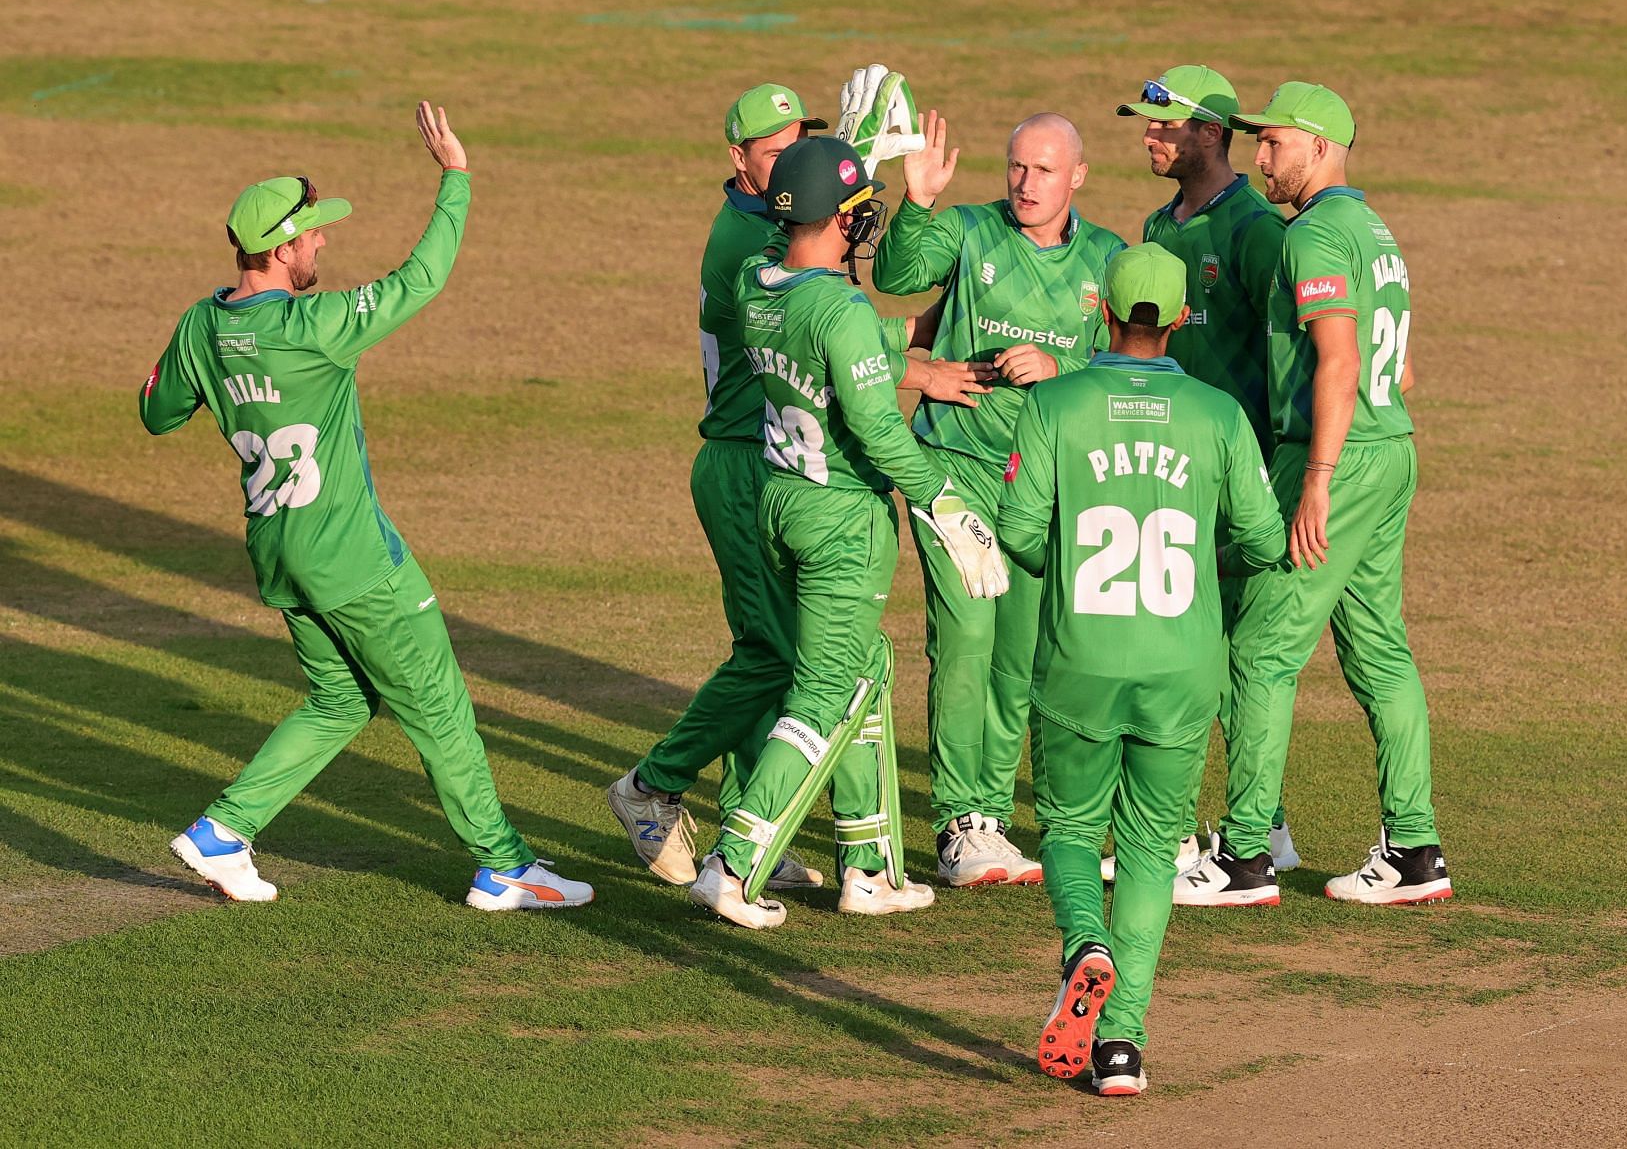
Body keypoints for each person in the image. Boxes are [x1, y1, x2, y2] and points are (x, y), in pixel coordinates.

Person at [141, 103, 592, 911]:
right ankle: (504, 865)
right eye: (311, 234)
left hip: (279, 553)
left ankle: (224, 830)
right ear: (279, 249)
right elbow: (423, 278)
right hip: (352, 560)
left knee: (342, 698)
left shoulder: (203, 324)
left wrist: (207, 366)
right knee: (441, 704)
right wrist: (456, 177)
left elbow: (157, 410)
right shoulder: (314, 323)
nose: (322, 243)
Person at [607, 83, 991, 889]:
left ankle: (842, 855)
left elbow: (822, 309)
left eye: (798, 142)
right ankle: (669, 798)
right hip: (753, 463)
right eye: (774, 149)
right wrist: (913, 366)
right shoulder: (743, 240)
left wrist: (910, 349)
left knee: (814, 661)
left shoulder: (770, 244)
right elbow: (823, 312)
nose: (788, 159)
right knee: (786, 661)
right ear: (738, 161)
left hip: (769, 464)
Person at [687, 136, 1010, 929]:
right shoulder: (840, 308)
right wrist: (945, 504)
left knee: (866, 664)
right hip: (840, 518)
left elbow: (827, 304)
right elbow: (876, 427)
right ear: (839, 221)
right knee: (825, 692)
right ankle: (733, 864)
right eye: (862, 212)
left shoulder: (755, 279)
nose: (869, 223)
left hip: (780, 501)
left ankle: (868, 866)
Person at [999, 243, 1289, 1095]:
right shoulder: (1218, 414)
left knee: (1073, 829)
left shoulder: (1053, 404)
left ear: (1103, 312)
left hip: (1081, 660)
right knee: (1155, 850)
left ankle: (1085, 943)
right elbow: (1268, 543)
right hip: (1181, 665)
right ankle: (1122, 1045)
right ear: (1181, 320)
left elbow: (1019, 535)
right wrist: (1207, 561)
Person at [873, 109, 1126, 886]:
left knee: (1020, 654)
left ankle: (990, 812)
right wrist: (915, 205)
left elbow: (1125, 373)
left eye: (1044, 170)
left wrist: (1059, 371)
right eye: (1017, 167)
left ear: (1077, 176)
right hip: (956, 464)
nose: (1026, 183)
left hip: (1042, 483)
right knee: (966, 637)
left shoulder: (1106, 258)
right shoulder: (972, 230)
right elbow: (893, 278)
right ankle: (960, 822)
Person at [1230, 82, 1452, 904]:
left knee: (1261, 650)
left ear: (1320, 148)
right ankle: (1415, 849)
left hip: (1340, 457)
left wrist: (1316, 478)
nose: (1260, 157)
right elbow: (1402, 366)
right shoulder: (1375, 230)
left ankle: (1246, 856)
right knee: (1378, 648)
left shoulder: (1316, 235)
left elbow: (1340, 360)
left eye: (1275, 144)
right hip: (1391, 447)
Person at [1118, 65, 1299, 907]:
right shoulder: (1158, 224)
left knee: (1221, 654)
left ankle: (1243, 835)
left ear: (1211, 133)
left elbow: (1297, 346)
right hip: (1170, 472)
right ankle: (1262, 824)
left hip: (1239, 473)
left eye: (1165, 126)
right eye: (1147, 126)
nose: (1151, 138)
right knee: (1205, 652)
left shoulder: (1257, 231)